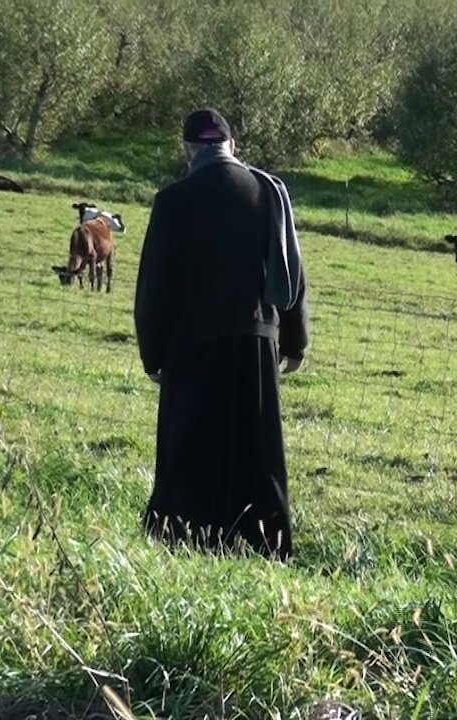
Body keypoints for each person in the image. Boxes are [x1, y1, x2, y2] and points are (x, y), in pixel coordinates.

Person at [134, 108, 309, 562]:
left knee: (189, 446)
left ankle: (186, 538)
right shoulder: (268, 192)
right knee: (258, 452)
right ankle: (265, 546)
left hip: (191, 347)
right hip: (255, 342)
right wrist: (294, 340)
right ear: (231, 145)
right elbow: (290, 270)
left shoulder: (172, 201)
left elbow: (154, 285)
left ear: (188, 150)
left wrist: (152, 354)